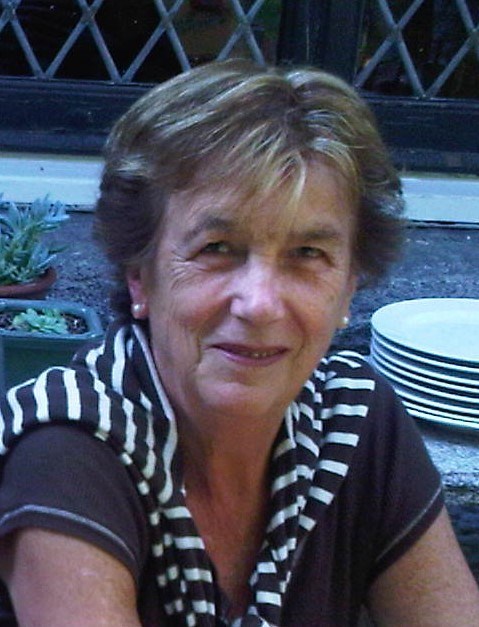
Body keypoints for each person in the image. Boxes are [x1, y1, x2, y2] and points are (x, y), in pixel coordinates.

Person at [0, 60, 478, 626]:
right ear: (140, 277)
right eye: (218, 248)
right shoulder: (67, 448)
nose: (260, 304)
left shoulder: (352, 420)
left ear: (350, 286)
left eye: (307, 254)